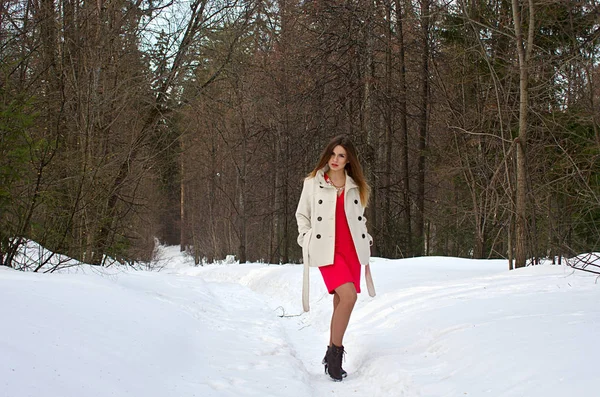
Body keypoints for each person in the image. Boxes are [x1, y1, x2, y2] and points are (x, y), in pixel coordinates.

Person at [295, 135, 375, 382]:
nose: (336, 159)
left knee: (342, 299)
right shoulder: (313, 182)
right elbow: (302, 215)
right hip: (325, 250)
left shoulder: (357, 186)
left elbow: (357, 219)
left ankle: (331, 352)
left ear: (349, 159)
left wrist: (366, 237)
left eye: (341, 155)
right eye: (333, 154)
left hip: (351, 249)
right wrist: (306, 239)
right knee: (349, 296)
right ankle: (334, 356)